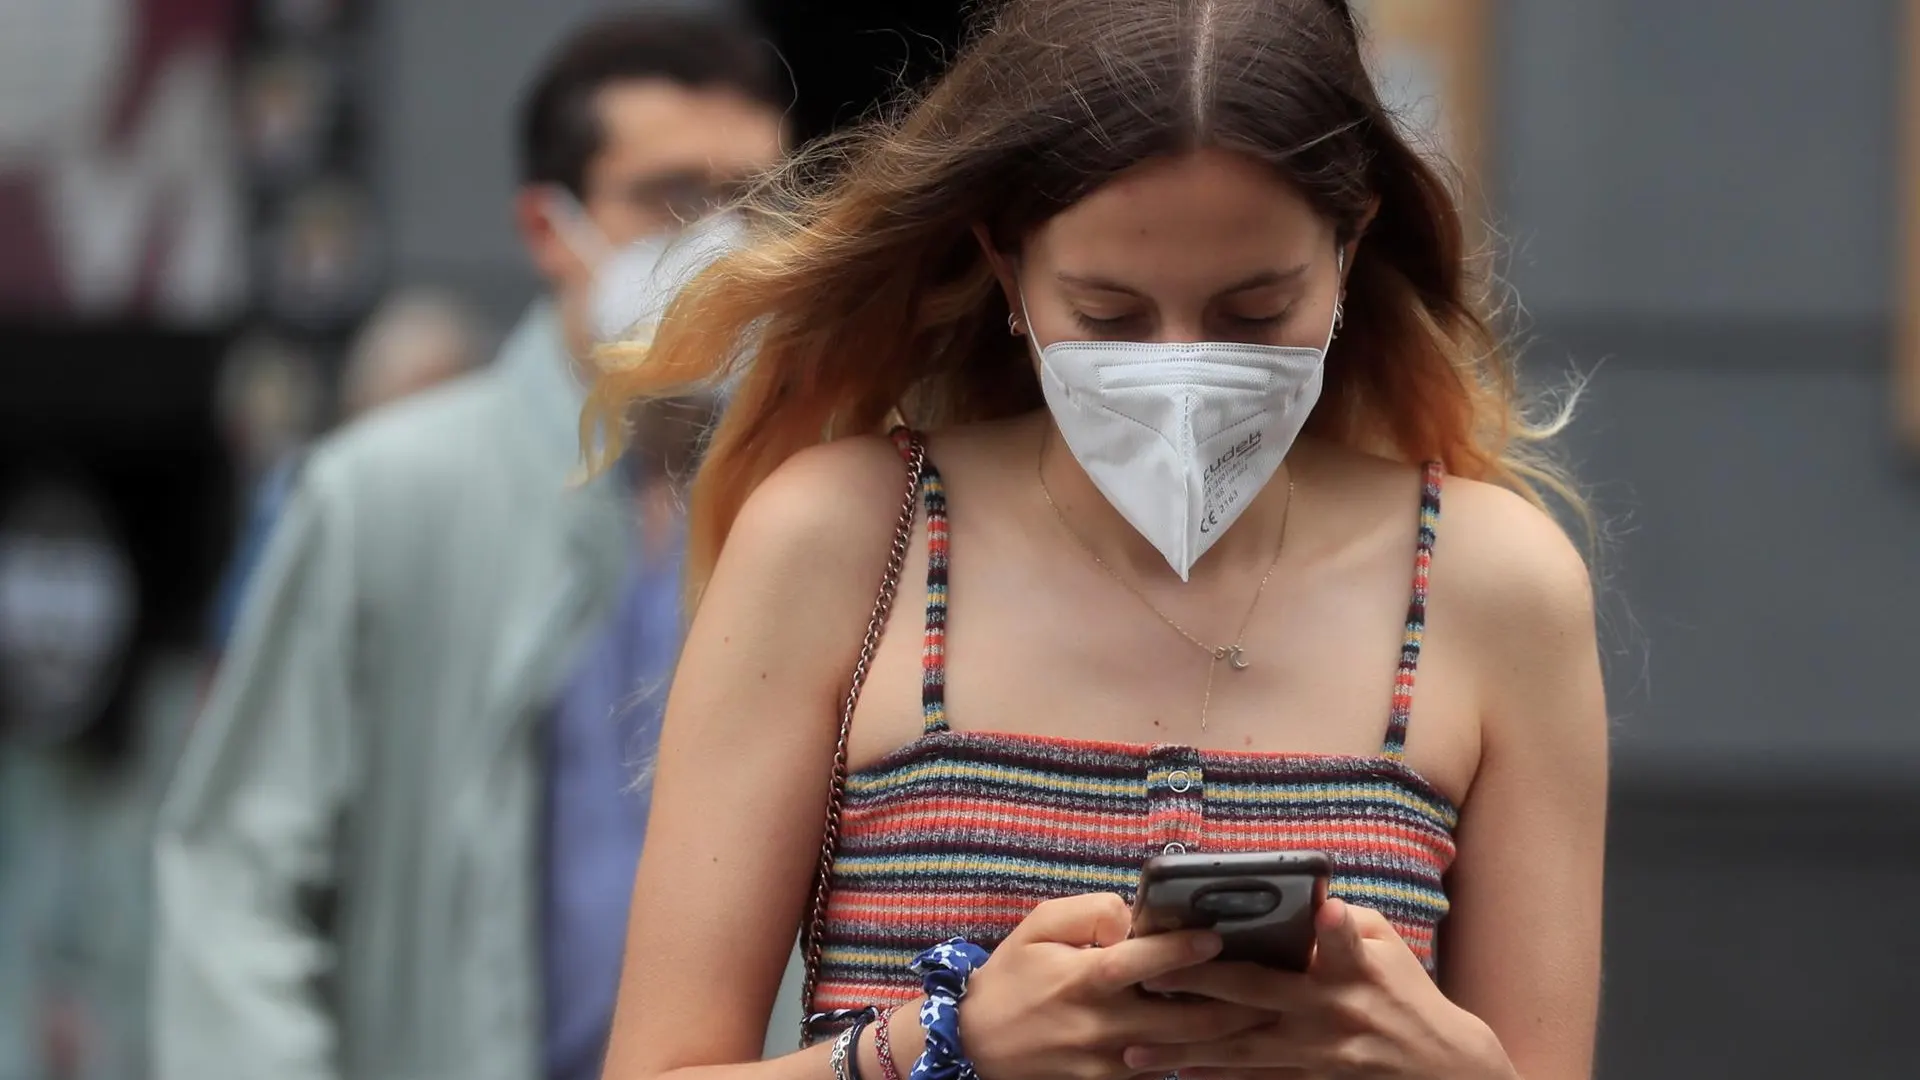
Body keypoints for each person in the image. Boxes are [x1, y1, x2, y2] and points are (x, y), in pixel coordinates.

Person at [589, 1, 1607, 1079]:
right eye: (1110, 316)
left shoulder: (1490, 584)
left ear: (1348, 249)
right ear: (1007, 264)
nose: (1182, 373)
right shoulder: (840, 540)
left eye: (1256, 314)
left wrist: (1437, 1062)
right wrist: (948, 1045)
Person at [153, 11, 786, 1080]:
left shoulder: (822, 497)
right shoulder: (378, 496)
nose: (719, 241)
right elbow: (238, 887)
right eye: (671, 198)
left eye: (755, 203)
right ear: (549, 228)